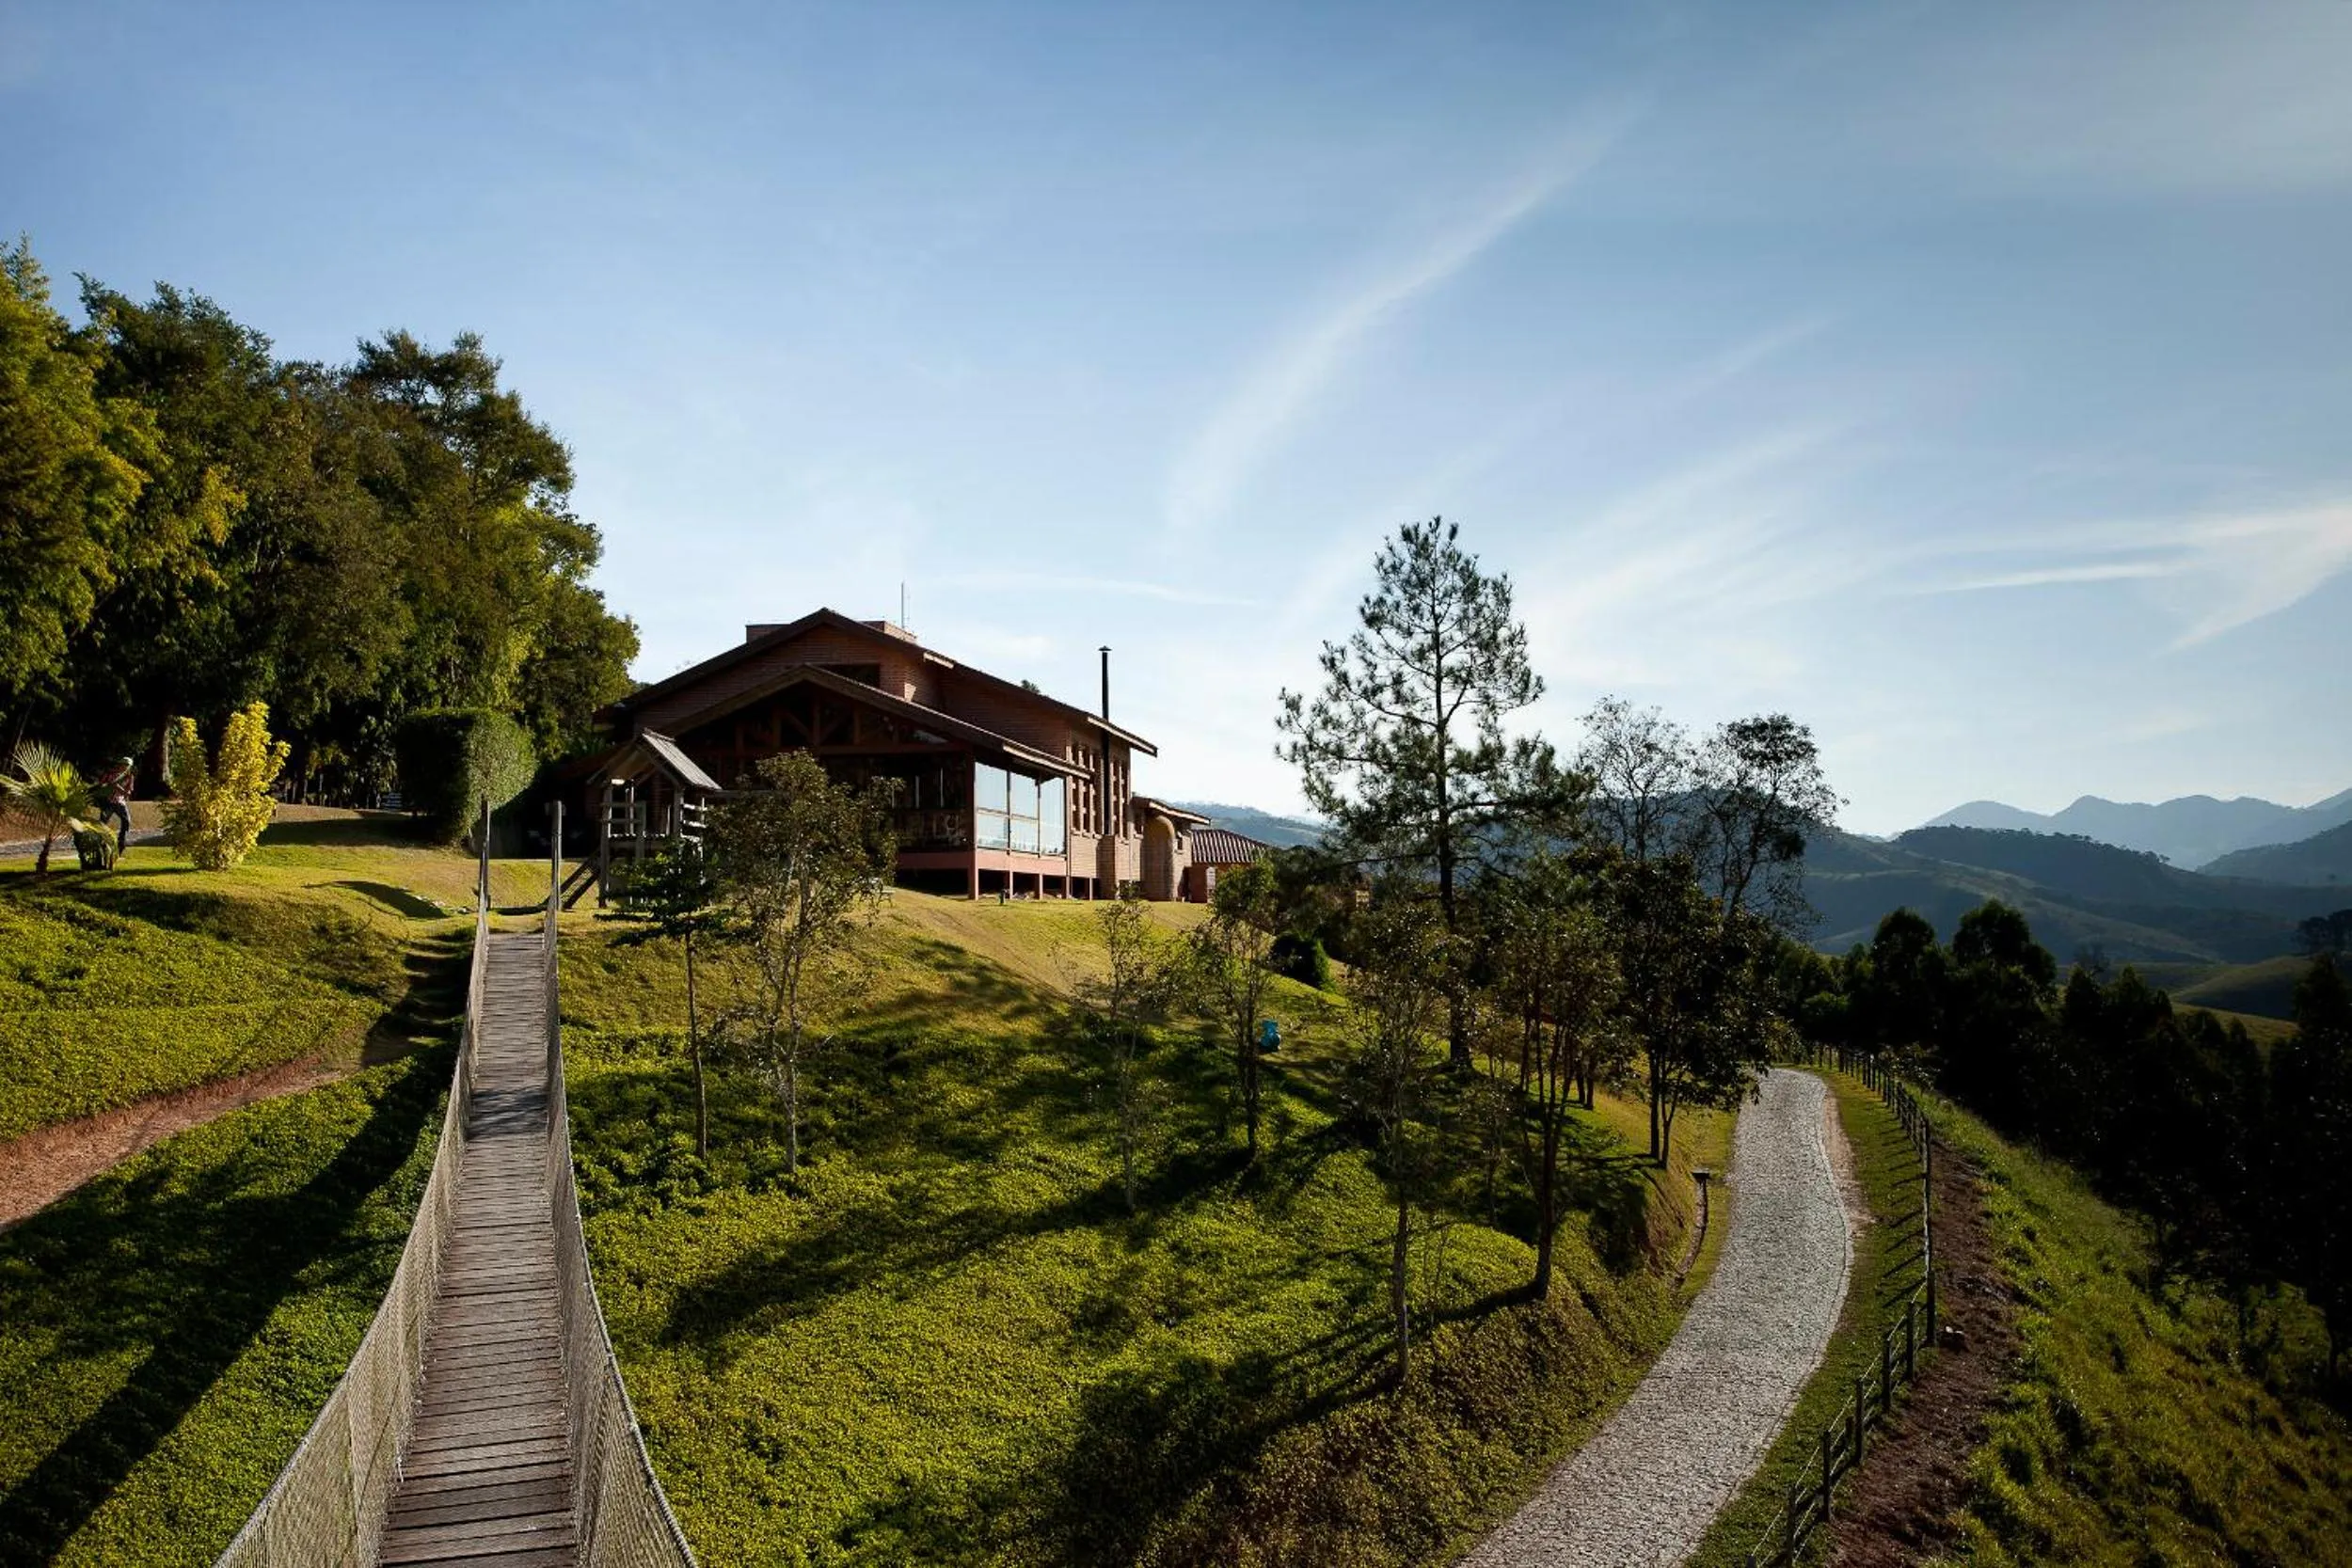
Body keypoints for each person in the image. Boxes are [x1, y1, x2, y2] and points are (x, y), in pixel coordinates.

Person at [91, 755, 134, 852]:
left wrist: (124, 791)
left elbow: (129, 790)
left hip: (120, 802)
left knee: (126, 821)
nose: (125, 767)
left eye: (127, 765)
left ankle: (121, 841)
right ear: (120, 765)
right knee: (103, 823)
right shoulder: (110, 774)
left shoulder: (129, 777)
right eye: (124, 764)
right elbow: (105, 785)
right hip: (108, 802)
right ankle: (100, 842)